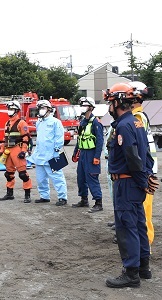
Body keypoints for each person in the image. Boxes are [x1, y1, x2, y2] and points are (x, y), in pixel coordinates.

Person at [103, 82, 158, 288]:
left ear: (117, 102)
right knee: (139, 225)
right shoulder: (136, 122)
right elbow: (146, 155)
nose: (109, 108)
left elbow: (132, 157)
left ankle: (131, 273)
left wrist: (142, 180)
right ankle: (144, 268)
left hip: (126, 183)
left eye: (110, 103)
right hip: (134, 183)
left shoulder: (124, 125)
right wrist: (147, 177)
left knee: (127, 228)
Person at [130, 81, 158, 248]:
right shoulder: (137, 116)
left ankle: (145, 248)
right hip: (145, 169)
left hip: (145, 171)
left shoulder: (138, 117)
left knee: (144, 211)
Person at [28, 100, 68, 206]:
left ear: (49, 109)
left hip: (53, 155)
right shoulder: (39, 122)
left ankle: (62, 197)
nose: (41, 110)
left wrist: (56, 150)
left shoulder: (55, 122)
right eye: (40, 108)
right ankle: (44, 196)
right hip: (40, 155)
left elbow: (59, 137)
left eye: (43, 108)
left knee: (57, 177)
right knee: (41, 179)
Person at [71, 97, 104, 212]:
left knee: (92, 177)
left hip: (91, 153)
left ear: (91, 107)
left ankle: (98, 202)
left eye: (84, 105)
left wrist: (96, 157)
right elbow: (80, 138)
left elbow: (100, 141)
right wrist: (75, 152)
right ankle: (84, 199)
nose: (82, 108)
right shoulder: (82, 122)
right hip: (83, 153)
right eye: (81, 105)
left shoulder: (96, 122)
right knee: (81, 177)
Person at [0, 100, 33, 203]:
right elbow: (5, 139)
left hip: (17, 150)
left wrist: (23, 151)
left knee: (22, 173)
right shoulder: (7, 123)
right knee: (8, 174)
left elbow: (26, 138)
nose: (9, 111)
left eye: (12, 109)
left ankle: (27, 195)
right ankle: (9, 194)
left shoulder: (21, 123)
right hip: (8, 150)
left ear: (17, 110)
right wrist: (1, 151)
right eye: (9, 109)